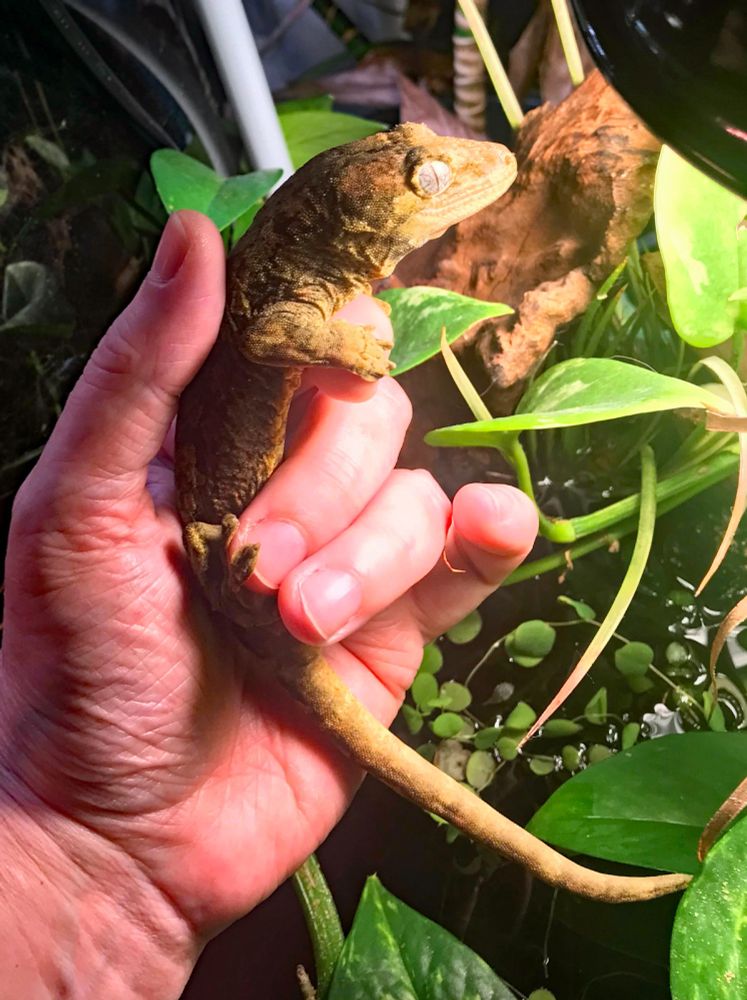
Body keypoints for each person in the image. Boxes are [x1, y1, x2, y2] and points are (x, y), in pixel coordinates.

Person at [0, 212, 537, 997]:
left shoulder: (310, 278)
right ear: (352, 218)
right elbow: (274, 334)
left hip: (238, 608)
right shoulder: (290, 295)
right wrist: (89, 849)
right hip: (228, 581)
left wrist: (102, 862)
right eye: (422, 182)